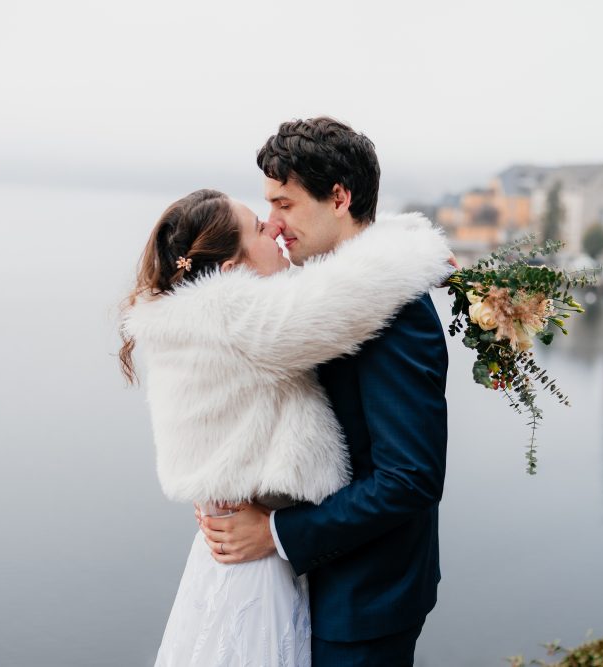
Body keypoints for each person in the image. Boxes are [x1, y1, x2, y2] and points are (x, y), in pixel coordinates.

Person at [120, 187, 451, 666]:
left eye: (281, 205)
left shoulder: (180, 319)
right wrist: (418, 246)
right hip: (254, 565)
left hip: (242, 559)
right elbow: (351, 297)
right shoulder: (240, 324)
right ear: (230, 274)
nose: (273, 226)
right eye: (258, 226)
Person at [199, 117, 450, 666]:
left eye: (284, 204)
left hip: (363, 601)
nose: (274, 223)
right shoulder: (328, 292)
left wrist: (276, 534)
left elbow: (411, 478)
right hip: (325, 585)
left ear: (338, 197)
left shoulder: (395, 310)